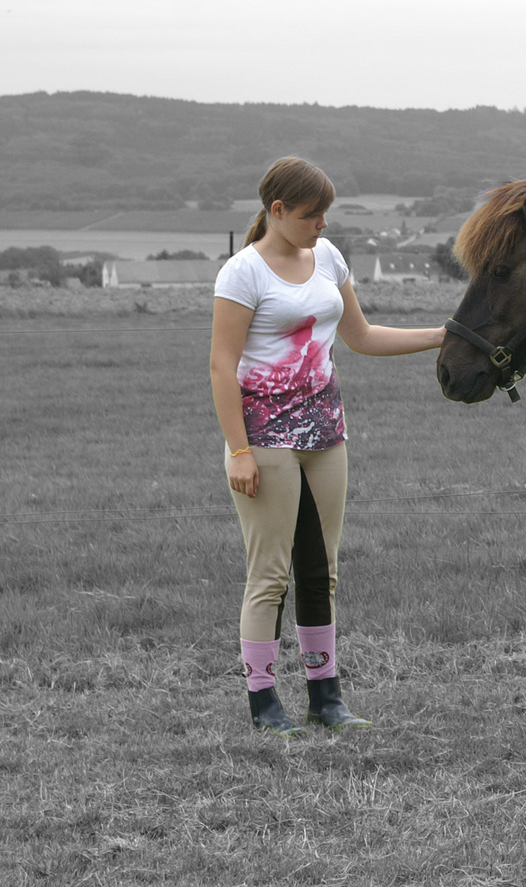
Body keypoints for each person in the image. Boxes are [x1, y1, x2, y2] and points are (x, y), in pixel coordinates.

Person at [210, 157, 444, 736]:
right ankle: (264, 704)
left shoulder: (330, 258)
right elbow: (221, 365)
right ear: (277, 210)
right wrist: (238, 450)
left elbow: (361, 336)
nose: (321, 224)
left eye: (326, 214)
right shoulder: (243, 273)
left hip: (326, 432)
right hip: (264, 437)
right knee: (270, 574)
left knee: (322, 571)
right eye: (311, 215)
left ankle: (326, 698)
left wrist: (444, 335)